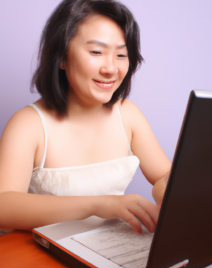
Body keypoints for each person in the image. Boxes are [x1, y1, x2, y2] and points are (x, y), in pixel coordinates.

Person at [0, 0, 171, 235]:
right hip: (44, 257)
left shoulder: (127, 114)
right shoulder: (28, 124)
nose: (111, 68)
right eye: (96, 52)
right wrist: (98, 204)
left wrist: (168, 192)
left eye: (121, 54)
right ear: (61, 57)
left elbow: (164, 175)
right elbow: (4, 208)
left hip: (113, 249)